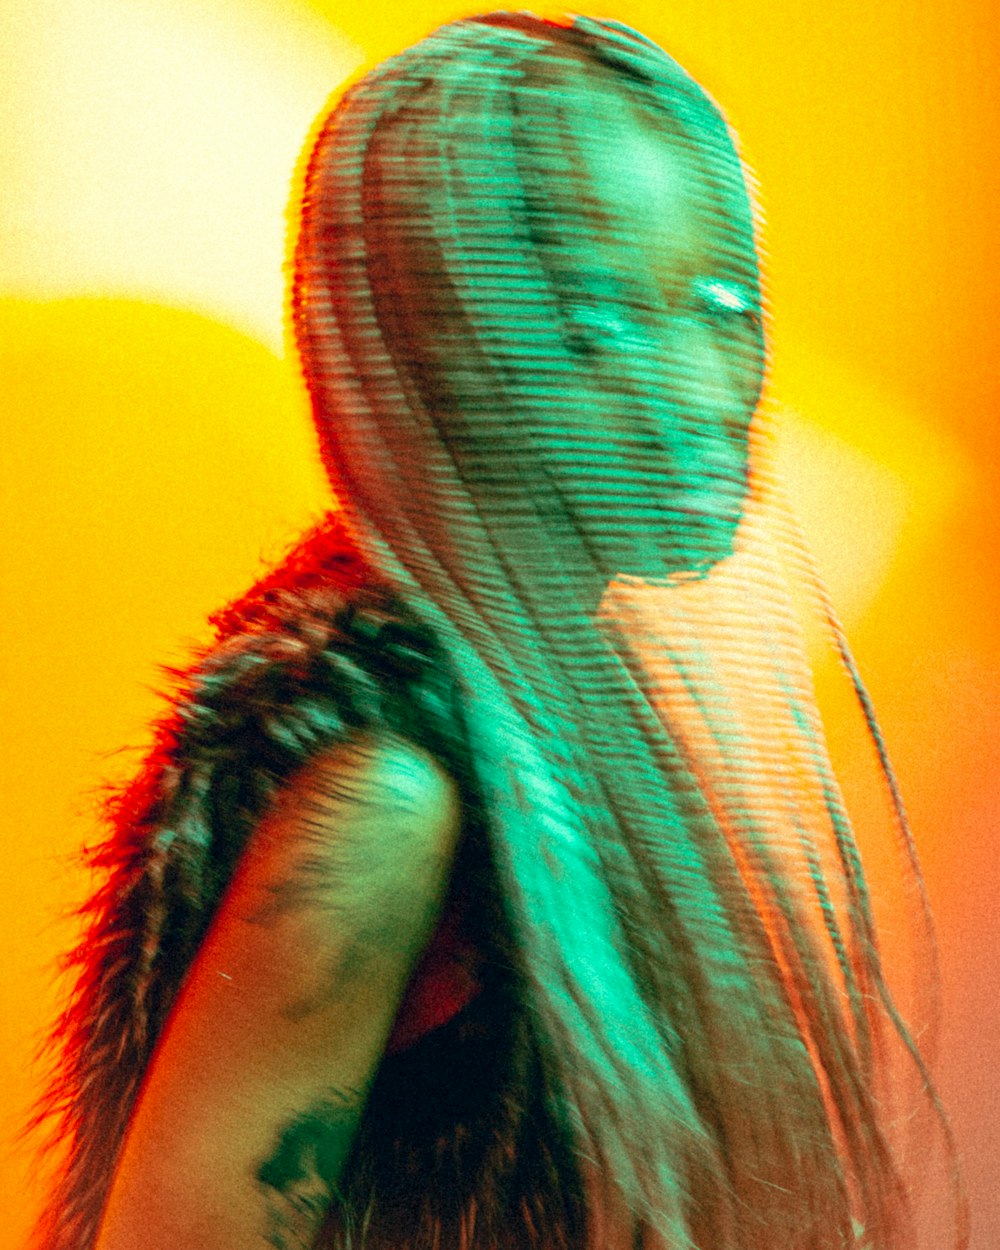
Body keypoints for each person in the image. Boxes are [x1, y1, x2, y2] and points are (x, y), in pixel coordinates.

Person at [27, 10, 965, 1250]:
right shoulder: (387, 789)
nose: (693, 388)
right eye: (594, 331)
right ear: (429, 350)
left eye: (722, 301)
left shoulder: (548, 712)